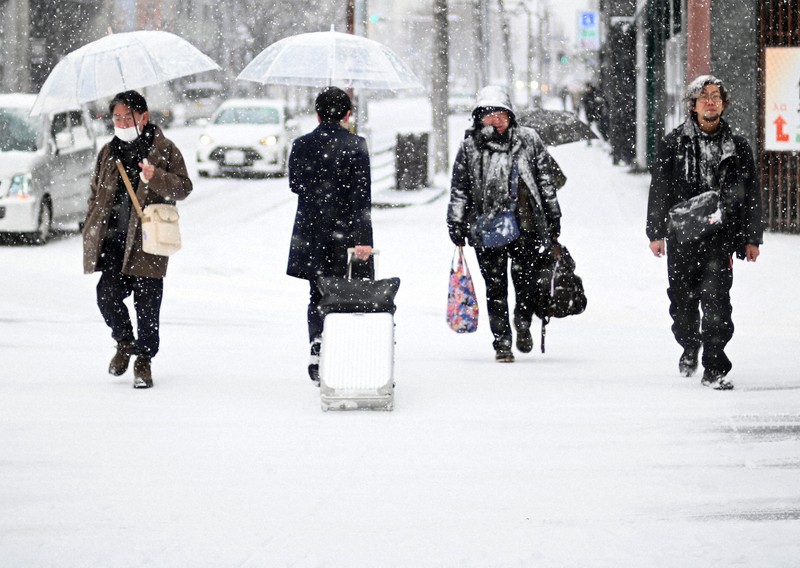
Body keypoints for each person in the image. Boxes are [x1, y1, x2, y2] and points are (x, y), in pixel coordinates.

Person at [646, 75, 763, 390]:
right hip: (682, 237)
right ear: (693, 105)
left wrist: (752, 236)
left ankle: (715, 367)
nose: (710, 101)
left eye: (716, 96)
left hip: (719, 238)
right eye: (704, 96)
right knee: (681, 306)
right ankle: (689, 344)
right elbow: (660, 189)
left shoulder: (737, 147)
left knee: (717, 304)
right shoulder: (674, 143)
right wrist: (655, 232)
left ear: (723, 104)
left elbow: (751, 193)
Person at [83, 90, 192, 389]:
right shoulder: (108, 152)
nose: (120, 123)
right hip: (114, 241)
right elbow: (95, 192)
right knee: (106, 296)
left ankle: (144, 359)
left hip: (147, 241)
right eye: (116, 118)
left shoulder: (164, 150)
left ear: (143, 117)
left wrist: (155, 176)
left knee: (147, 305)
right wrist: (92, 225)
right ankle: (124, 341)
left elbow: (183, 188)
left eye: (126, 117)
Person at [447, 85, 562, 362]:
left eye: (501, 113)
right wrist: (456, 222)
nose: (495, 119)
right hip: (487, 229)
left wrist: (553, 217)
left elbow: (546, 182)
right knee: (495, 287)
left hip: (526, 227)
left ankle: (522, 323)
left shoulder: (529, 140)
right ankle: (502, 341)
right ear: (478, 118)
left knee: (525, 284)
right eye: (488, 114)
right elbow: (460, 188)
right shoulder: (469, 147)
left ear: (511, 116)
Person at [286, 87, 373, 386]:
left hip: (312, 232)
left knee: (317, 292)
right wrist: (363, 238)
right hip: (346, 233)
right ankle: (342, 350)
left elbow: (295, 185)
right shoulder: (356, 145)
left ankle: (318, 341)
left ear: (317, 113)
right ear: (348, 114)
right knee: (347, 293)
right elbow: (362, 198)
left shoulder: (300, 145)